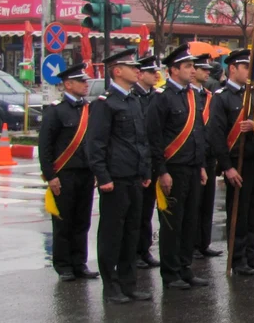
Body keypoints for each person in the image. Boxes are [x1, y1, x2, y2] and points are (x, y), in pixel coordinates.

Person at [87, 49, 152, 304]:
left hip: (135, 177)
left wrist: (145, 170)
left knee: (131, 232)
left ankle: (129, 283)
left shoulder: (134, 101)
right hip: (115, 178)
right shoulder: (106, 104)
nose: (138, 70)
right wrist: (103, 177)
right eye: (132, 67)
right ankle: (111, 285)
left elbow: (141, 140)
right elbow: (95, 144)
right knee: (112, 233)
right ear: (117, 71)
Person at [145, 44, 209, 291]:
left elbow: (198, 133)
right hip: (173, 169)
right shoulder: (161, 98)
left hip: (192, 168)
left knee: (189, 222)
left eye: (193, 66)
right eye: (188, 66)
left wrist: (201, 165)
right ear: (173, 70)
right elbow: (155, 137)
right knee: (172, 224)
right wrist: (161, 171)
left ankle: (185, 268)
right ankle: (170, 274)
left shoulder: (191, 96)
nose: (193, 70)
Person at [207, 49, 254, 275]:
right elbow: (215, 135)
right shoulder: (222, 97)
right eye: (245, 67)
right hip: (237, 162)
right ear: (232, 68)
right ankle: (238, 258)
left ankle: (251, 255)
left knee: (253, 212)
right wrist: (227, 167)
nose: (249, 72)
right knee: (239, 213)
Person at [39, 63, 98, 282]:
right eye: (81, 81)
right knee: (64, 222)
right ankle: (63, 265)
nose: (86, 85)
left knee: (82, 220)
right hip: (64, 175)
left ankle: (79, 263)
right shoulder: (56, 111)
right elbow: (45, 146)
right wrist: (50, 176)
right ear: (68, 84)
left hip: (85, 174)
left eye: (86, 81)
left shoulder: (89, 109)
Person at [192, 54, 223, 260]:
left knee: (206, 203)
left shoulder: (208, 95)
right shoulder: (188, 95)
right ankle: (192, 245)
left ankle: (203, 243)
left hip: (209, 156)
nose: (207, 72)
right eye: (203, 69)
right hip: (192, 159)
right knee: (193, 204)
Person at [132, 55, 162, 269]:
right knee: (135, 211)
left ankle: (144, 250)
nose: (156, 75)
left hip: (151, 160)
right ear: (140, 74)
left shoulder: (156, 97)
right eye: (151, 72)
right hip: (136, 162)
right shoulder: (133, 97)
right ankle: (133, 252)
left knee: (147, 211)